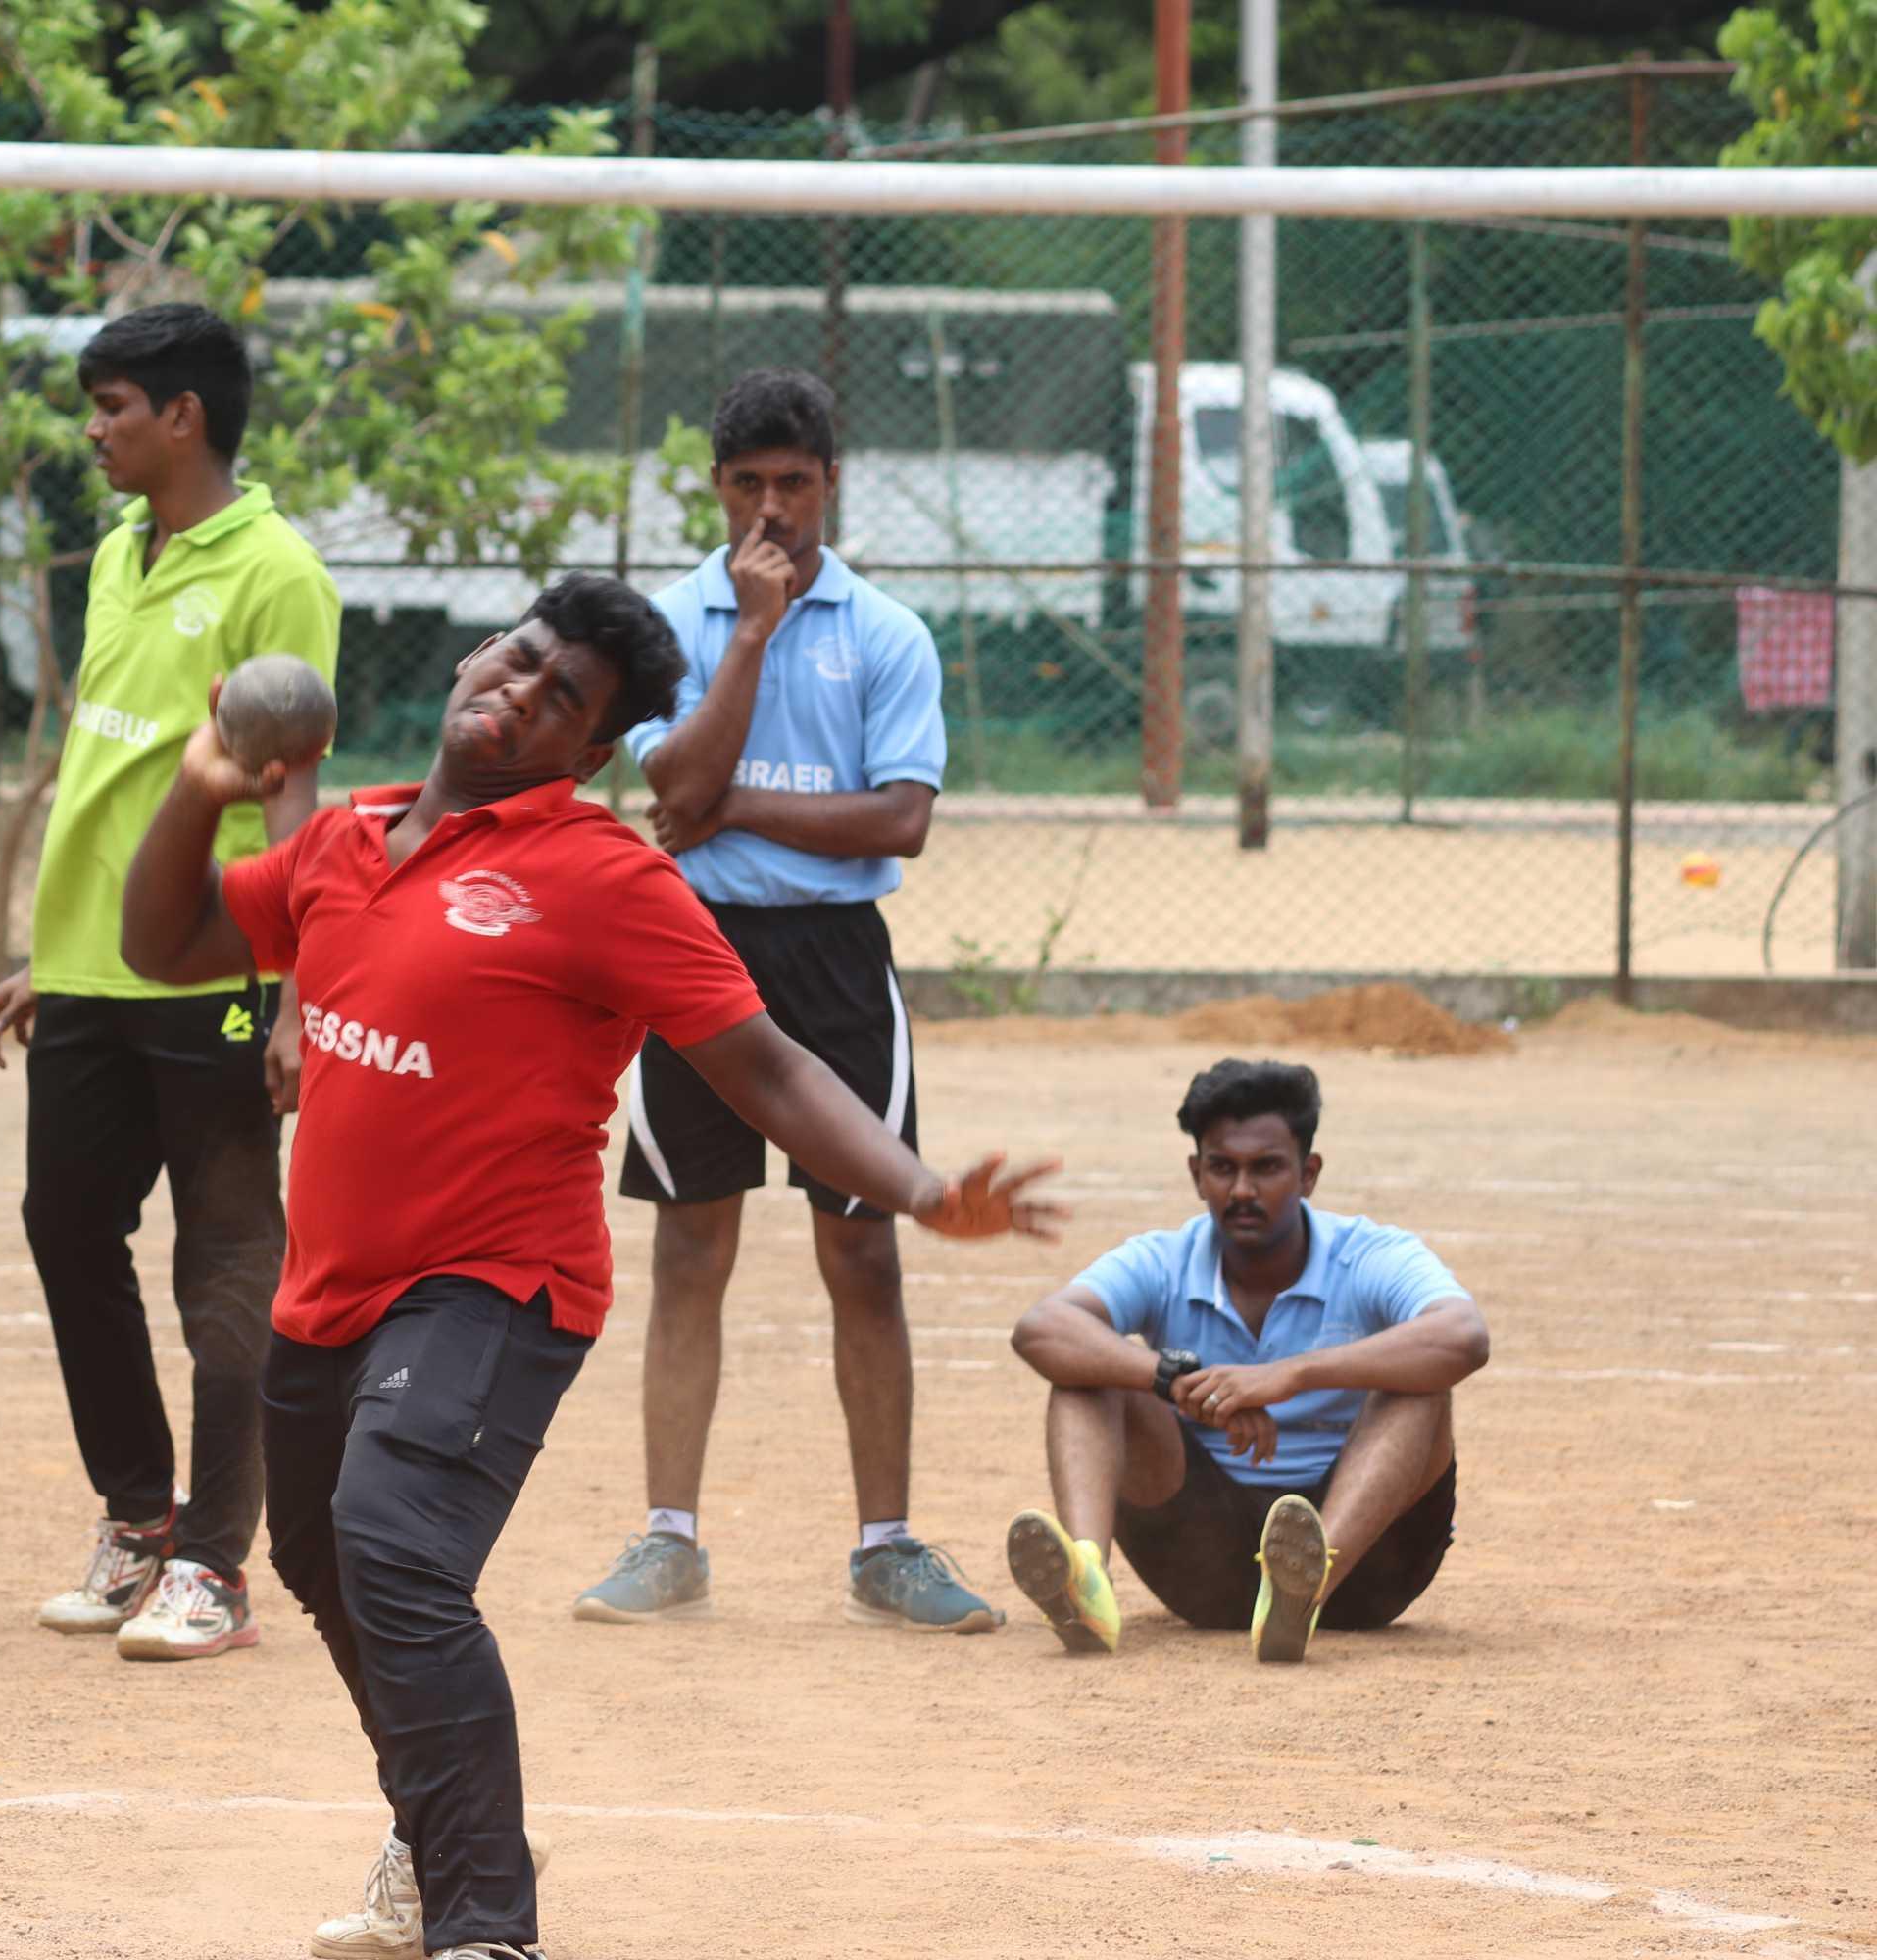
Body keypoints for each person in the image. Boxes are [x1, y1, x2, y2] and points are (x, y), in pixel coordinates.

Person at [118, 573, 1062, 1960]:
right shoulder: (347, 838)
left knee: (391, 1545)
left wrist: (918, 1187)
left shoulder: (603, 877)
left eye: (563, 698)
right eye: (520, 659)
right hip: (333, 1287)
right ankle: (437, 1839)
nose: (519, 693)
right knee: (324, 1564)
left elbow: (769, 1064)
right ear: (474, 658)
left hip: (499, 1285)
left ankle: (486, 1926)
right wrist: (203, 783)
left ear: (591, 752)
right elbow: (164, 939)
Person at [572, 368, 998, 1636]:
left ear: (832, 485)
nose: (772, 508)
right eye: (749, 483)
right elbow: (669, 775)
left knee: (861, 1248)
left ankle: (886, 1544)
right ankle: (669, 1539)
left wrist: (732, 806)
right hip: (688, 945)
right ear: (717, 487)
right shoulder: (671, 625)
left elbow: (899, 820)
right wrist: (750, 634)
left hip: (836, 964)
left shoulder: (887, 634)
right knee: (690, 1245)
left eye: (794, 484)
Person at [0, 303, 338, 1663]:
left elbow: (295, 787)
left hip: (218, 967)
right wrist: (46, 960)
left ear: (184, 415)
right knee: (66, 1224)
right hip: (92, 968)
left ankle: (218, 1570)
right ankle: (140, 1518)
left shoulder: (277, 567)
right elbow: (113, 772)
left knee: (227, 1255)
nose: (94, 430)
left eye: (113, 406)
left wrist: (296, 987)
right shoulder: (122, 549)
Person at [1003, 1059, 1490, 1662]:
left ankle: (1303, 1594)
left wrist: (1290, 1374)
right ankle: (1086, 1583)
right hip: (1199, 1563)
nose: (1241, 1191)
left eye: (1266, 1169)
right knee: (1086, 1371)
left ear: (1308, 1174)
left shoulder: (1369, 1254)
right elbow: (1041, 1329)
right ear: (1195, 1173)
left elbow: (1463, 1336)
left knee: (1419, 1378)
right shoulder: (1163, 1259)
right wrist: (1177, 1383)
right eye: (1222, 1168)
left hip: (1368, 1570)